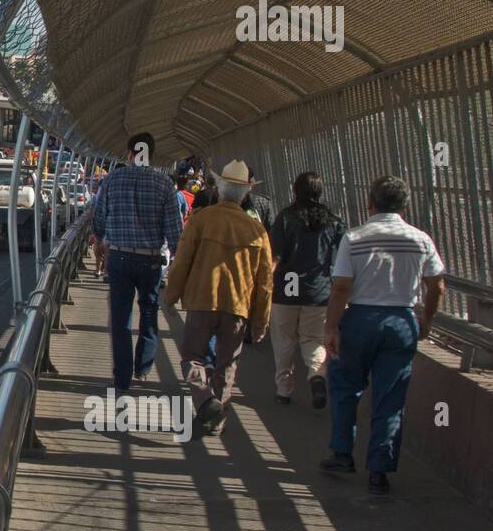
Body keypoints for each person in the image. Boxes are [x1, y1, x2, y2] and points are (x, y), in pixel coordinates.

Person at [319, 176, 444, 495]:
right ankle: (379, 470)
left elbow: (341, 287)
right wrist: (425, 320)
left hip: (360, 318)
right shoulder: (421, 239)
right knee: (391, 397)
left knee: (346, 386)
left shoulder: (355, 237)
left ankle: (342, 454)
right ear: (405, 206)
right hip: (401, 320)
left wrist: (331, 328)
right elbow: (437, 285)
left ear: (369, 202)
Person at [162, 160, 272, 436]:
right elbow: (265, 282)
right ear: (245, 194)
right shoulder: (256, 231)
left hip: (202, 301)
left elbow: (182, 262)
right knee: (227, 365)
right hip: (238, 306)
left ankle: (203, 399)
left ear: (219, 190)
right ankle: (217, 420)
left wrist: (171, 297)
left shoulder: (201, 221)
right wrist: (260, 321)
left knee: (192, 358)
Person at [91, 132, 183, 390]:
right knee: (150, 310)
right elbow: (175, 232)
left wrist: (99, 238)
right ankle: (143, 366)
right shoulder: (164, 184)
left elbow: (99, 219)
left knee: (121, 318)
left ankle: (122, 377)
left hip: (118, 257)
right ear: (151, 155)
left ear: (130, 154)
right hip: (150, 261)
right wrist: (176, 259)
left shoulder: (113, 180)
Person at [268, 172, 345, 407]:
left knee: (284, 341)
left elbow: (275, 257)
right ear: (320, 191)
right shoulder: (333, 221)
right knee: (314, 340)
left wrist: (262, 289)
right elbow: (341, 259)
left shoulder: (285, 218)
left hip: (286, 290)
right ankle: (316, 375)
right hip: (319, 291)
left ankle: (284, 390)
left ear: (295, 191)